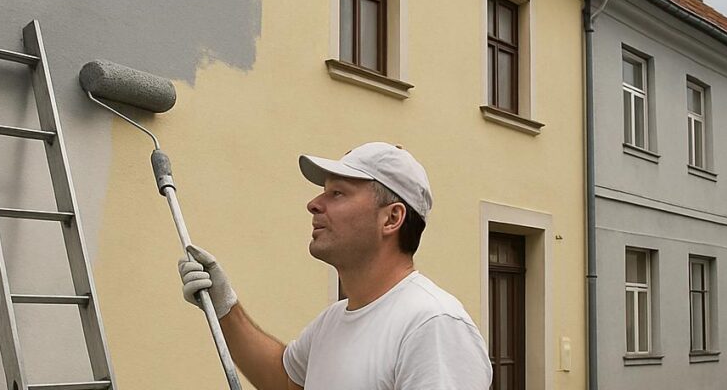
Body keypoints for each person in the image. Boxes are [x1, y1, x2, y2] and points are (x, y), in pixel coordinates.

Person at [178, 142, 492, 389]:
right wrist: (224, 306)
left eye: (338, 193)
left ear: (392, 218)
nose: (314, 204)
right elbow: (287, 382)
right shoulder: (332, 322)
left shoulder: (433, 325)